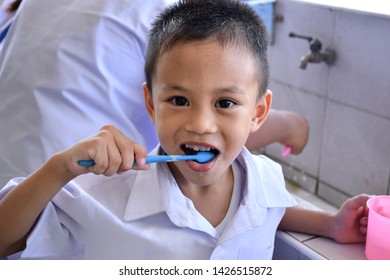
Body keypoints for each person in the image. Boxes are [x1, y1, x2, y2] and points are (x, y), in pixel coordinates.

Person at [0, 0, 367, 260]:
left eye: (224, 103)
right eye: (178, 100)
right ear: (150, 104)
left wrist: (332, 225)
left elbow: (266, 206)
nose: (201, 124)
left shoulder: (262, 176)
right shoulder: (100, 195)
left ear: (258, 113)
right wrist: (61, 167)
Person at [0, 0, 308, 188]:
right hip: (69, 195)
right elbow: (211, 130)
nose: (201, 123)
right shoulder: (168, 19)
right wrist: (289, 126)